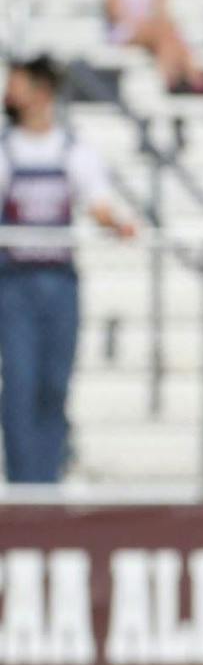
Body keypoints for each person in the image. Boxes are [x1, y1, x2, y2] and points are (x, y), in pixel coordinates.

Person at [0, 57, 136, 484]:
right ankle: (27, 485)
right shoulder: (6, 150)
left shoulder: (71, 148)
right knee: (19, 384)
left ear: (41, 93)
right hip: (15, 284)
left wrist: (116, 223)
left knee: (55, 384)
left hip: (59, 282)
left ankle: (47, 480)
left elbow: (96, 201)